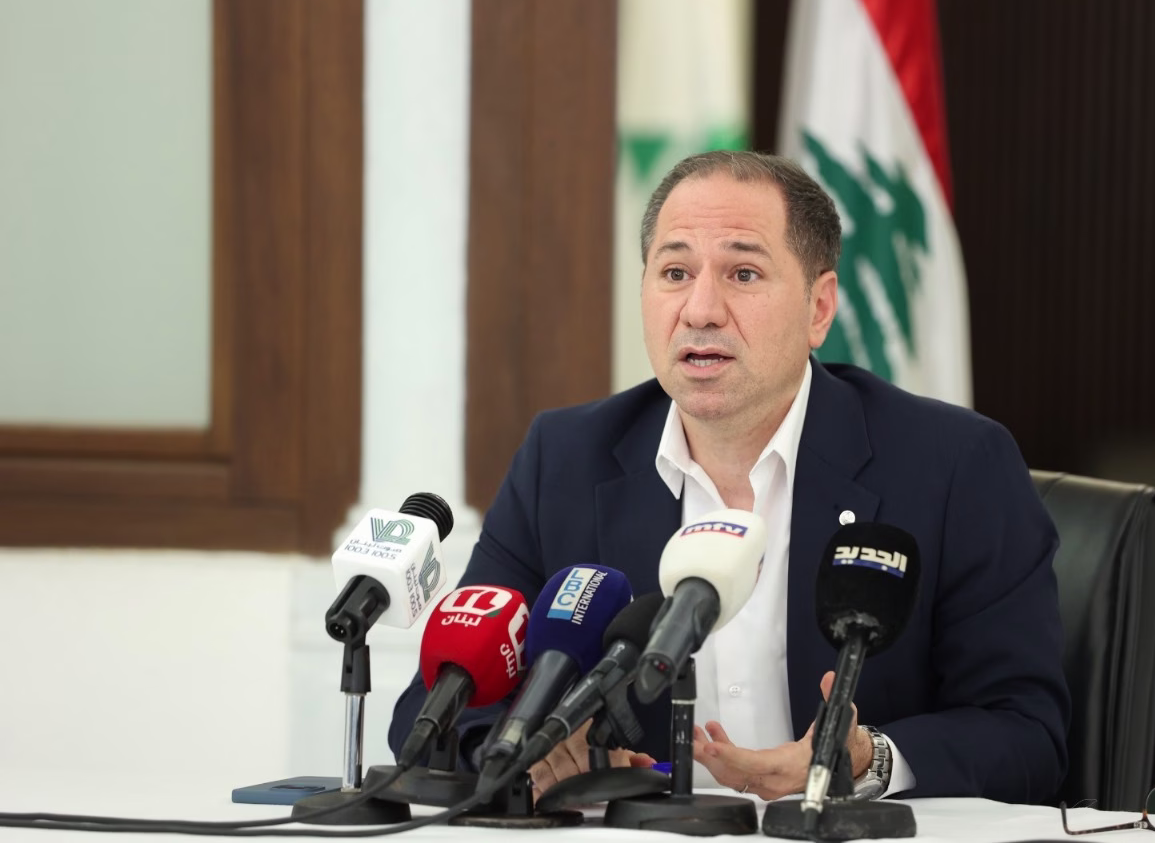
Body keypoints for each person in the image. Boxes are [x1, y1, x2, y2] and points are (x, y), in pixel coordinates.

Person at [389, 150, 1070, 804]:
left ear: (819, 308)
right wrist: (523, 753)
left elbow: (1026, 731)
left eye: (743, 274)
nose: (701, 309)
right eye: (675, 272)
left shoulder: (953, 465)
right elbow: (436, 703)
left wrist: (867, 759)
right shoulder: (563, 460)